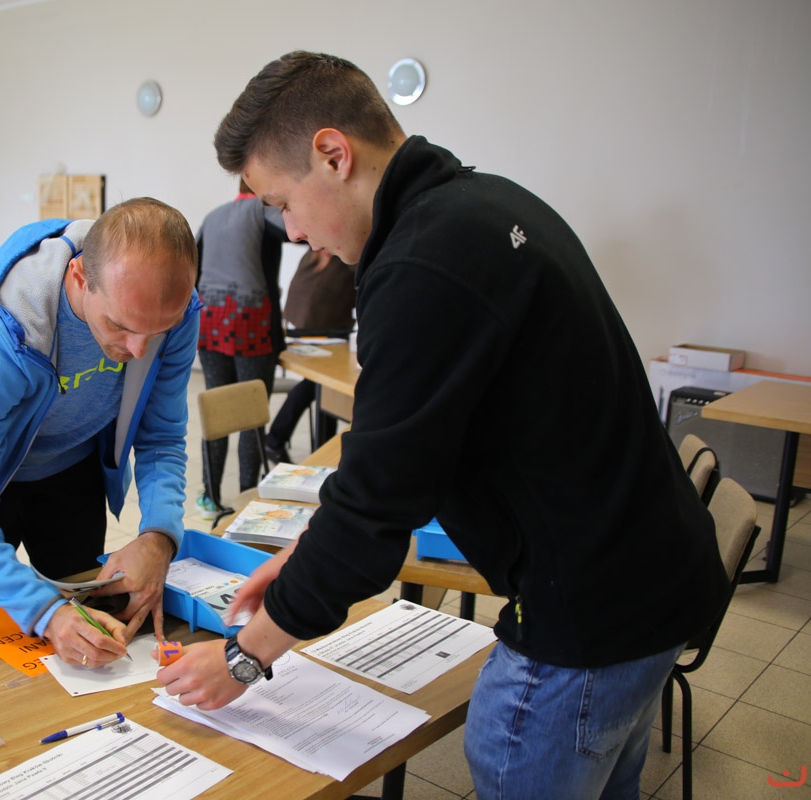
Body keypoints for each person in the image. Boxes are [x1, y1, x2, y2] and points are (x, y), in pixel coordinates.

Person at [156, 52, 730, 800]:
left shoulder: (421, 265)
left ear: (333, 154)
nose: (291, 233)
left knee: (510, 745)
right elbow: (412, 450)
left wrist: (245, 657)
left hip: (588, 613)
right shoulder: (484, 203)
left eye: (282, 202)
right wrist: (302, 555)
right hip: (649, 582)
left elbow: (375, 512)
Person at [0, 198, 199, 668]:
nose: (138, 350)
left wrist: (158, 536)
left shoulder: (171, 308)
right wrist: (46, 613)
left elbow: (162, 436)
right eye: (120, 326)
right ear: (80, 277)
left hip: (72, 467)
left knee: (88, 633)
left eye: (157, 332)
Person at [193, 179, 287, 520]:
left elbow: (193, 264)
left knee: (217, 410)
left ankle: (210, 496)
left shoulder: (213, 216)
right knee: (251, 414)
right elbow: (301, 231)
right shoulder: (264, 211)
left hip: (210, 319)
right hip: (252, 322)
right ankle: (249, 497)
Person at [264, 248, 355, 462]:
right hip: (319, 330)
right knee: (320, 383)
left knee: (321, 385)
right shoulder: (344, 255)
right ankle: (277, 439)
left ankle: (313, 445)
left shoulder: (315, 251)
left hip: (300, 327)